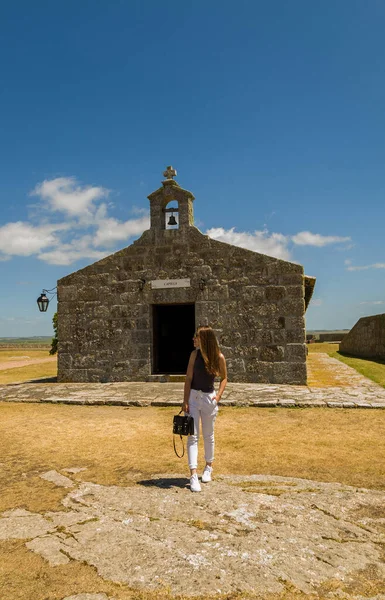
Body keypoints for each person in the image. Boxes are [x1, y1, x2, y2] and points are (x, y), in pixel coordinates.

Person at [182, 325, 227, 492]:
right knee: (192, 436)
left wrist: (219, 396)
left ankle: (208, 466)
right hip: (194, 397)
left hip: (209, 398)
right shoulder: (194, 355)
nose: (194, 339)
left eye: (197, 336)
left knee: (209, 435)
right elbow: (188, 378)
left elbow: (224, 378)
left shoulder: (219, 357)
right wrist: (185, 400)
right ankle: (193, 474)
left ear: (205, 339)